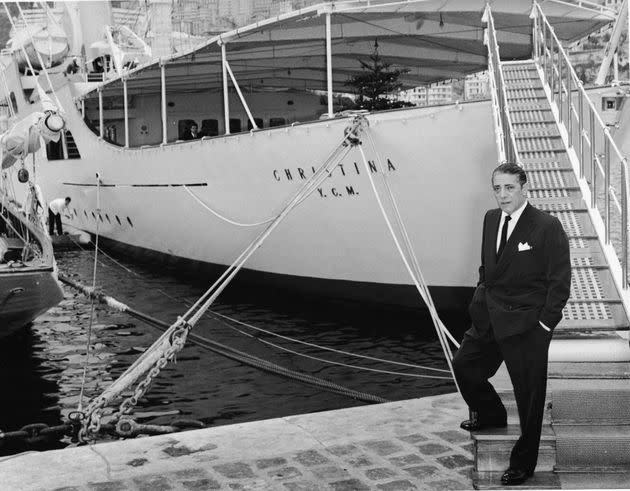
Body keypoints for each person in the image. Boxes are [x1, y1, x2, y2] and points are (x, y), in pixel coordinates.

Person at [453, 162, 571, 486]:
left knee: (529, 399)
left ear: (524, 188)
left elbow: (560, 282)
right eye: (497, 188)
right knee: (463, 365)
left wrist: (545, 326)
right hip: (489, 318)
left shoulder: (547, 226)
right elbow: (487, 265)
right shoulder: (491, 219)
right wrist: (480, 295)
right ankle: (490, 412)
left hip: (526, 325)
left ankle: (524, 463)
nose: (502, 195)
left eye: (509, 188)